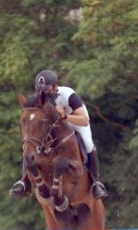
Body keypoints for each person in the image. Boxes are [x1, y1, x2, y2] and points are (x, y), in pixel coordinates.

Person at [10, 69, 108, 200]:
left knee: (88, 144)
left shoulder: (68, 95)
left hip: (74, 120)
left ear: (55, 86)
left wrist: (64, 116)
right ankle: (24, 182)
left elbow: (84, 120)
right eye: (41, 89)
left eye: (47, 88)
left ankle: (96, 182)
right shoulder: (38, 97)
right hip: (54, 126)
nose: (44, 92)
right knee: (30, 145)